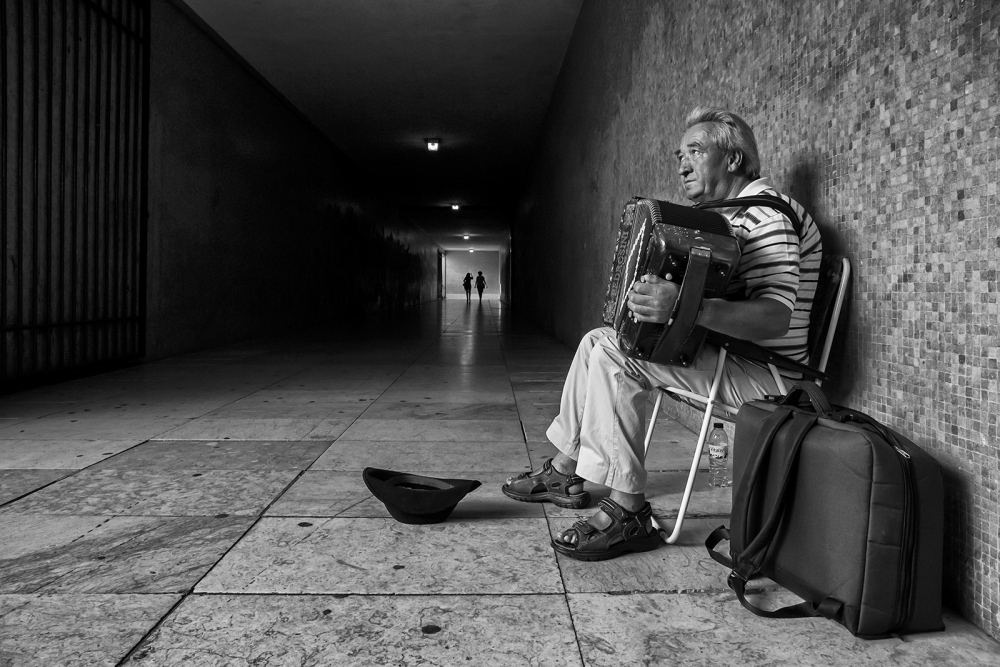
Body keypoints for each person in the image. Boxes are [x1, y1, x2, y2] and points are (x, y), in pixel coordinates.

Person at [502, 107, 823, 561]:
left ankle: (627, 510)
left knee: (618, 354)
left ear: (733, 159)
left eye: (696, 150)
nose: (682, 162)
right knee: (599, 339)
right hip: (730, 357)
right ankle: (564, 469)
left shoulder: (768, 215)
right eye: (679, 153)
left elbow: (775, 318)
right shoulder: (731, 217)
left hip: (768, 376)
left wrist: (684, 305)